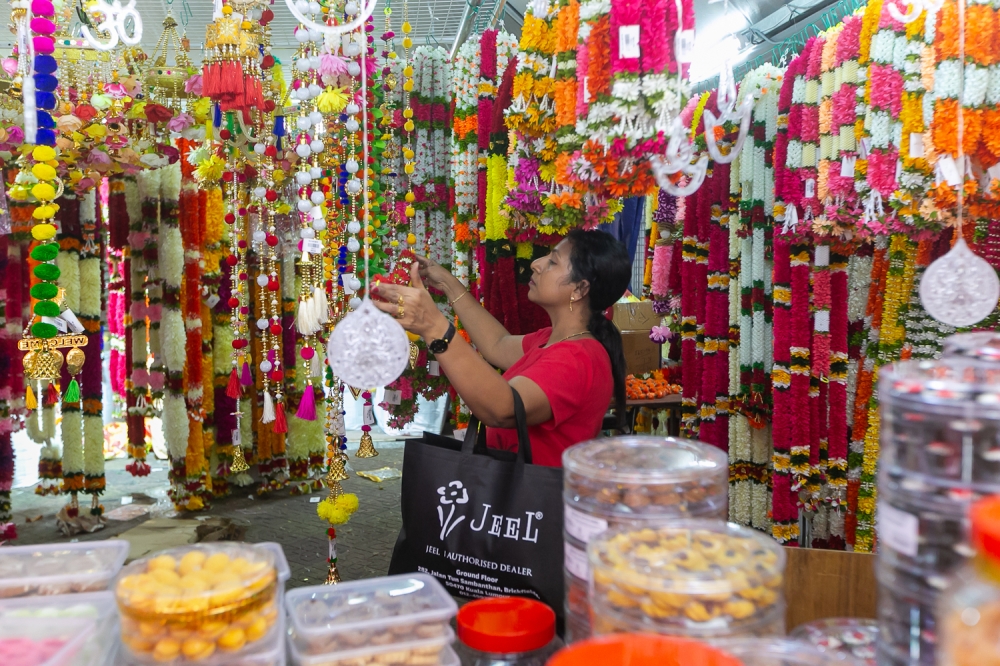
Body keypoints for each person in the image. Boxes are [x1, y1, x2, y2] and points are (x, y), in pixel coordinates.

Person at [370, 228, 631, 467]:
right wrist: (446, 282)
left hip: (536, 507)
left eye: (552, 262)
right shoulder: (551, 339)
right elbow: (497, 344)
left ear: (580, 289)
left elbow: (503, 409)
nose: (536, 264)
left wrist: (434, 327)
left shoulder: (578, 357)